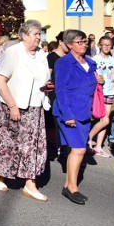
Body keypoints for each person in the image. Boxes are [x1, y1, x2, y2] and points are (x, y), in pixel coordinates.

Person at [0, 20, 50, 202]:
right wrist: (12, 106)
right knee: (8, 143)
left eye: (40, 34)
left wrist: (47, 87)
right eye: (35, 34)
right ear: (24, 36)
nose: (38, 38)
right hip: (14, 106)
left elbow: (43, 77)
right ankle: (0, 176)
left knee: (32, 146)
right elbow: (0, 80)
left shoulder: (41, 54)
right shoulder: (13, 52)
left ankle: (30, 184)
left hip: (36, 106)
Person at [54, 30, 97, 205]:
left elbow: (91, 83)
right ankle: (71, 188)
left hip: (85, 111)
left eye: (85, 41)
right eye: (80, 42)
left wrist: (99, 80)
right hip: (69, 112)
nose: (84, 45)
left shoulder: (91, 62)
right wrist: (67, 115)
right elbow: (60, 90)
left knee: (77, 150)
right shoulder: (64, 63)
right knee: (79, 149)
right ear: (70, 44)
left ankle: (68, 184)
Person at [88, 36, 114, 157]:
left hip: (110, 93)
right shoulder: (93, 59)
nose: (106, 47)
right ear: (100, 45)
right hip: (99, 93)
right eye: (104, 44)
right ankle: (88, 138)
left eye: (109, 45)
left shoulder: (113, 61)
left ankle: (98, 146)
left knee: (105, 121)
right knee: (104, 120)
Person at [46, 31, 69, 159]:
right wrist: (48, 96)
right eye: (67, 42)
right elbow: (47, 78)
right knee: (53, 123)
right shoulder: (52, 57)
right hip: (54, 94)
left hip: (67, 94)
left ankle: (64, 148)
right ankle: (54, 147)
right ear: (60, 42)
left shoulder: (70, 57)